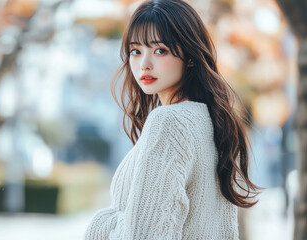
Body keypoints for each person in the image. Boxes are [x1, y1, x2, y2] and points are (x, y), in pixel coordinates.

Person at [84, 0, 262, 239]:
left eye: (160, 50)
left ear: (189, 57)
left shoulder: (170, 122)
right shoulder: (214, 121)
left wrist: (100, 224)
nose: (144, 64)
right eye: (136, 51)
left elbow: (144, 234)